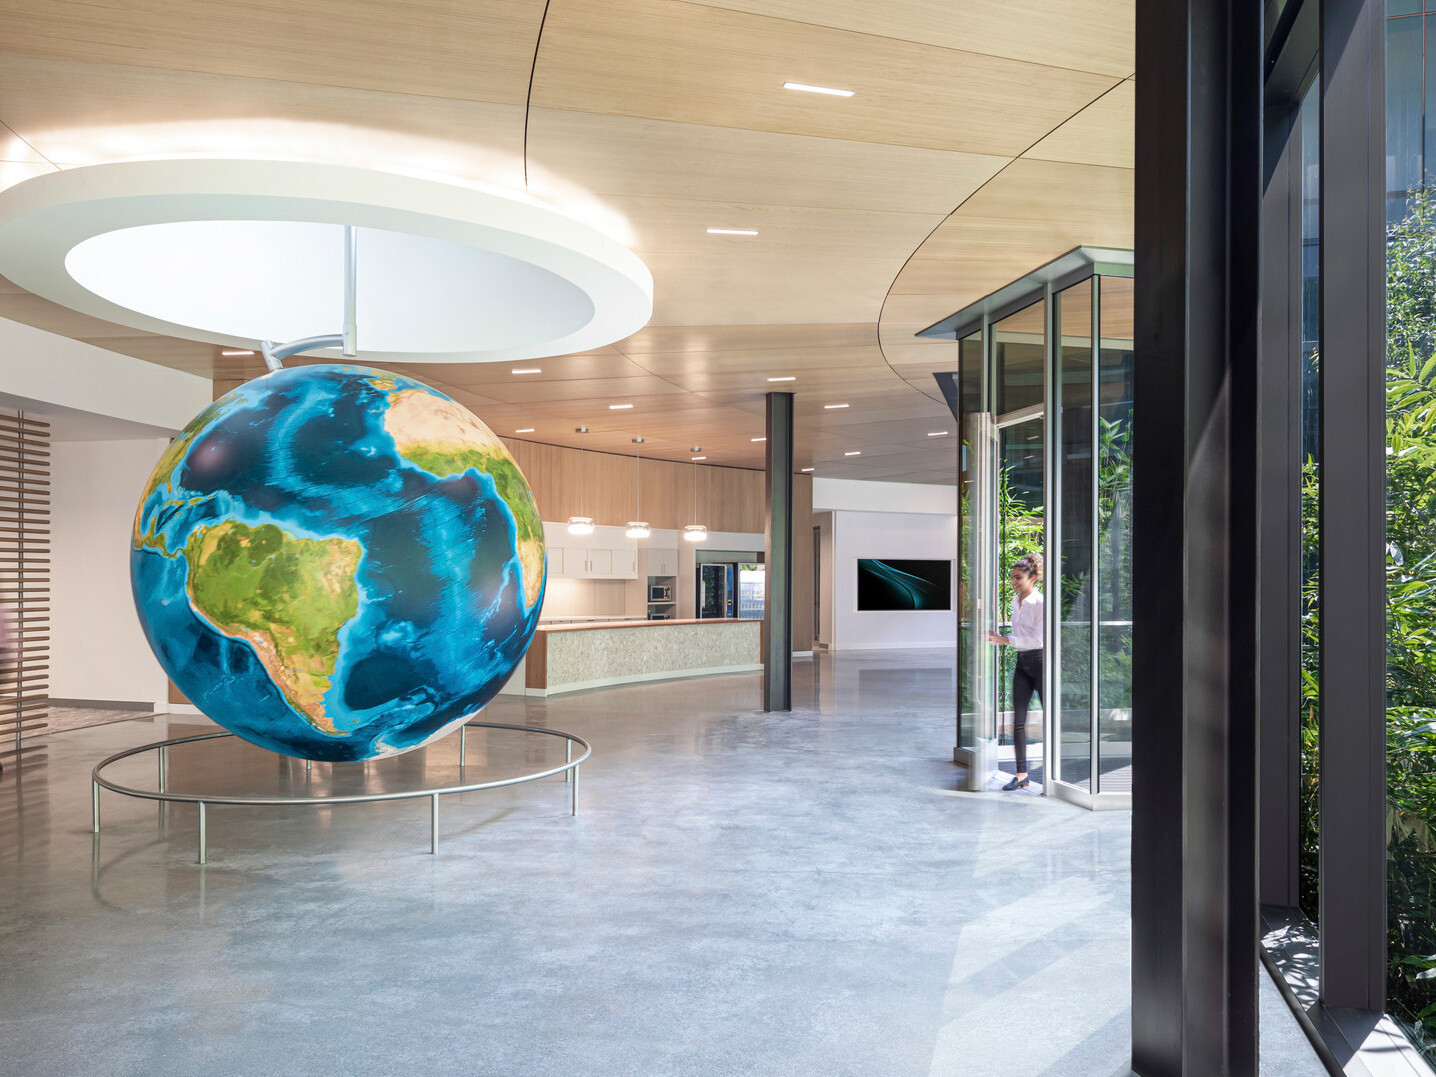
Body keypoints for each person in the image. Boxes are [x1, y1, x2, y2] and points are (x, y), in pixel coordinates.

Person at [987, 553, 1043, 790]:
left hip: (1040, 662)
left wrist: (1005, 640)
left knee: (1052, 717)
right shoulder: (1015, 600)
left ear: (1033, 578)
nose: (1013, 582)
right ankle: (1022, 775)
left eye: (1018, 578)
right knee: (1018, 722)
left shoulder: (1040, 603)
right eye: (1012, 578)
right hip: (1022, 663)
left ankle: (1056, 773)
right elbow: (1018, 634)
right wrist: (999, 638)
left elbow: (1038, 638)